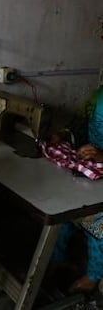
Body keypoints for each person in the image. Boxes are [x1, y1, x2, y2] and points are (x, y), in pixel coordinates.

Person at [46, 84, 103, 294]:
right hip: (93, 170)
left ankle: (93, 276)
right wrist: (62, 135)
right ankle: (58, 258)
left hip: (98, 166)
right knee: (62, 208)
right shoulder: (98, 95)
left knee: (99, 221)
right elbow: (79, 125)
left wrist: (102, 156)